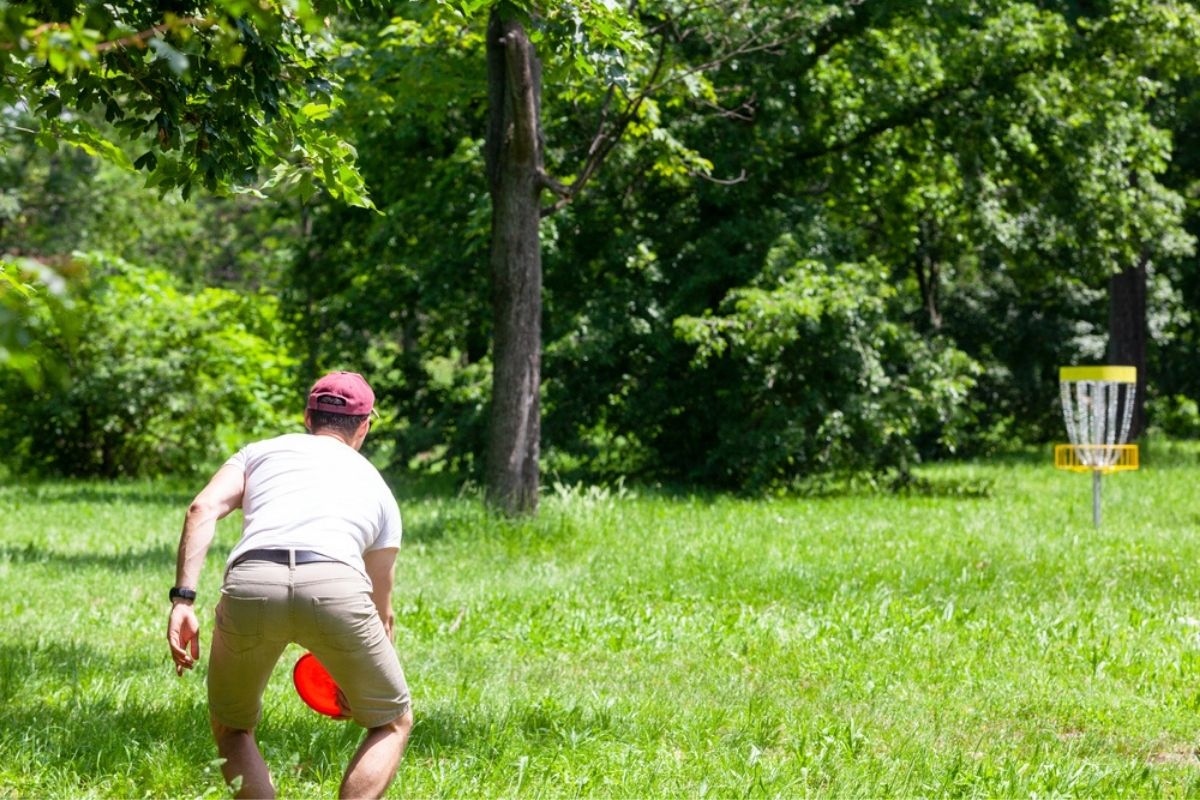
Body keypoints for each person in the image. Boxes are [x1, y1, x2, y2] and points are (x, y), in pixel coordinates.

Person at [166, 371, 413, 799]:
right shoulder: (378, 485)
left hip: (252, 582)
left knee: (232, 727)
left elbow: (201, 508)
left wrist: (183, 600)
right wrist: (359, 678)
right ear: (364, 426)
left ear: (306, 416)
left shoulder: (259, 453)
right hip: (338, 584)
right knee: (392, 721)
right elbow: (380, 606)